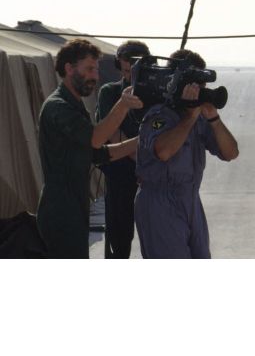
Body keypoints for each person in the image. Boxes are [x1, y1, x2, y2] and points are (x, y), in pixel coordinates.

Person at [37, 39, 144, 258]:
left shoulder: (74, 106)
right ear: (69, 68)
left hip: (75, 207)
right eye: (89, 69)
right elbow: (96, 139)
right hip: (60, 210)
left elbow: (101, 153)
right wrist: (123, 105)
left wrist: (144, 140)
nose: (95, 76)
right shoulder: (58, 106)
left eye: (96, 69)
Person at [134, 49, 239, 258]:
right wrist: (190, 117)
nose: (199, 90)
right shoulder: (159, 115)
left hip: (190, 199)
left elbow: (231, 153)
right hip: (159, 203)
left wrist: (213, 119)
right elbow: (163, 151)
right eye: (195, 85)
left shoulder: (199, 117)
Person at [95, 40, 150, 258]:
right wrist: (141, 159)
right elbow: (111, 132)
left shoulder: (155, 94)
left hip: (150, 176)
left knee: (157, 234)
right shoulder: (110, 92)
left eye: (134, 71)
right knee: (119, 236)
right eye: (126, 70)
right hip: (121, 173)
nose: (129, 76)